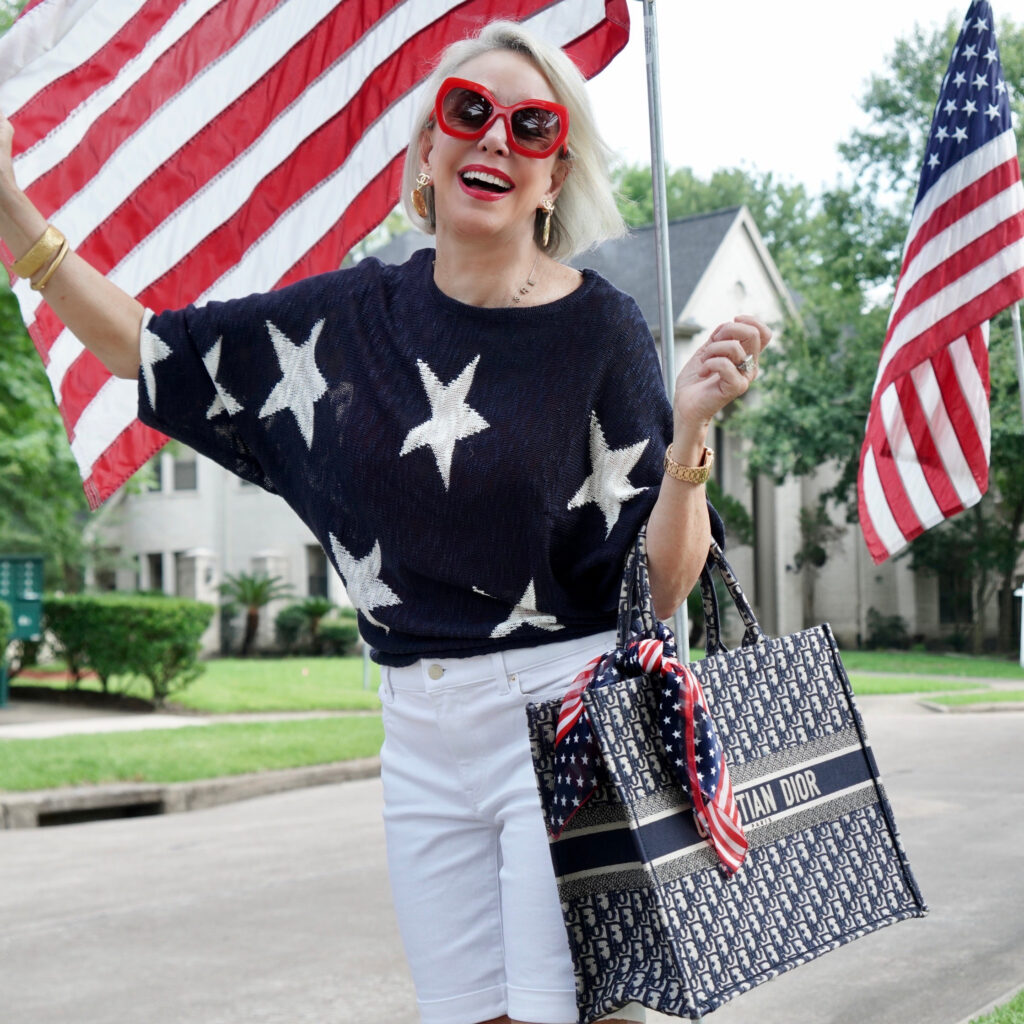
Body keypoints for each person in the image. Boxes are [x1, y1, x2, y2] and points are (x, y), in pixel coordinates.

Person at [0, 19, 769, 1024]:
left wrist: (691, 440)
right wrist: (17, 212)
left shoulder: (601, 328)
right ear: (425, 154)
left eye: (529, 126)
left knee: (573, 1013)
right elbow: (144, 350)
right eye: (469, 111)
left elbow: (662, 589)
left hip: (567, 711)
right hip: (418, 728)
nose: (494, 137)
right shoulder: (346, 318)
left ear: (552, 178)